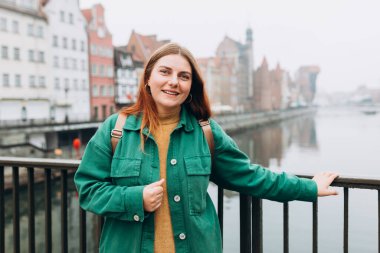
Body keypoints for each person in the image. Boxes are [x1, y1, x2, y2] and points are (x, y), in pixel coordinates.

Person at [74, 42, 338, 253]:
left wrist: (308, 188)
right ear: (147, 79)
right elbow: (88, 189)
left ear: (190, 88)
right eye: (165, 72)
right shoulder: (116, 129)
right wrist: (135, 199)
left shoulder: (205, 132)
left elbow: (251, 176)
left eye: (183, 76)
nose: (174, 81)